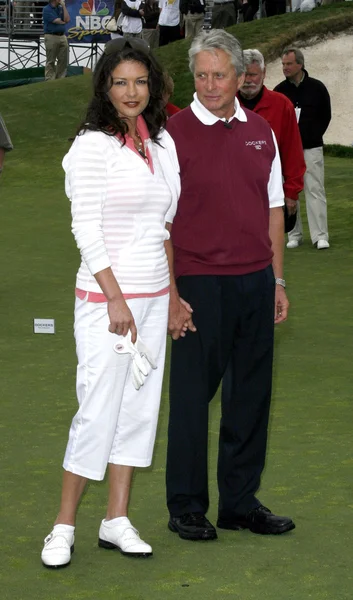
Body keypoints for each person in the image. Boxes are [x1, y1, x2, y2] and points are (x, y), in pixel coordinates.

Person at [41, 37, 184, 569]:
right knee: (97, 412)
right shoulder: (90, 147)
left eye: (140, 81)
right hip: (107, 304)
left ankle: (116, 519)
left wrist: (172, 297)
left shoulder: (162, 146)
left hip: (151, 300)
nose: (131, 92)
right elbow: (87, 231)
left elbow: (162, 229)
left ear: (153, 86)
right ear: (104, 86)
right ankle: (63, 526)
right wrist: (116, 300)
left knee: (138, 413)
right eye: (120, 81)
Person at [165, 29, 295, 541]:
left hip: (255, 282)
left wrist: (277, 280)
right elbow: (162, 221)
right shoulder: (172, 134)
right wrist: (173, 295)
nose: (210, 84)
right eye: (201, 75)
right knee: (194, 399)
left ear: (241, 77)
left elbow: (274, 210)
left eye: (220, 74)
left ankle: (239, 504)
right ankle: (187, 506)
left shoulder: (262, 130)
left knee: (250, 397)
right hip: (198, 283)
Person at [238, 49, 305, 228]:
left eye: (253, 74)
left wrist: (291, 193)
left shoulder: (282, 105)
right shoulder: (224, 105)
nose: (247, 80)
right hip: (231, 192)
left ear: (264, 73)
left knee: (270, 250)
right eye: (243, 74)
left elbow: (293, 153)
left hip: (270, 192)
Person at [274, 48, 331, 249]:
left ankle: (320, 235)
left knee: (314, 189)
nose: (285, 68)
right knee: (289, 192)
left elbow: (326, 115)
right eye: (283, 64)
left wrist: (313, 135)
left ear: (300, 64)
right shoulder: (279, 91)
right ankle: (294, 234)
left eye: (288, 64)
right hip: (286, 151)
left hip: (311, 147)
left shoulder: (317, 88)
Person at [42, 0, 70, 81]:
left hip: (62, 36)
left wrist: (64, 6)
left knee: (63, 60)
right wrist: (63, 21)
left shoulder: (60, 8)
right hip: (51, 36)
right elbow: (57, 21)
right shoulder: (47, 9)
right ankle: (50, 79)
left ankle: (61, 79)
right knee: (51, 60)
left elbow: (67, 19)